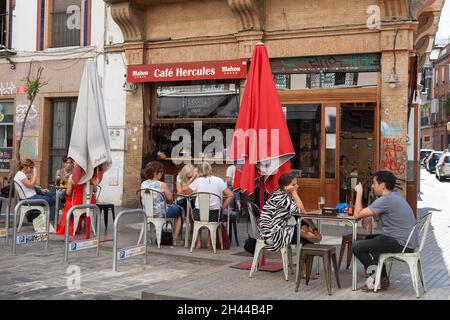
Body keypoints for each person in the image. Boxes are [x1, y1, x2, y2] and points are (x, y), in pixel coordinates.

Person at [351, 170, 418, 292]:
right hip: (406, 241)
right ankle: (383, 278)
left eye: (374, 183)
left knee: (356, 247)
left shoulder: (386, 200)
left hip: (401, 243)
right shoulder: (394, 196)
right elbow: (368, 213)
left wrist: (359, 193)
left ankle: (375, 277)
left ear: (382, 185)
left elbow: (356, 215)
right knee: (370, 240)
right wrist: (365, 216)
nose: (372, 186)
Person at [259, 173, 322, 278]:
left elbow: (302, 215)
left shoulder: (285, 195)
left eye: (296, 184)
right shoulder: (281, 197)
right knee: (308, 239)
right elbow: (302, 211)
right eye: (294, 184)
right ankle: (303, 271)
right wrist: (294, 192)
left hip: (281, 227)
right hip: (272, 233)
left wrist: (314, 228)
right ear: (285, 187)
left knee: (305, 228)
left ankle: (307, 235)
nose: (297, 186)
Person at [182, 162, 234, 249]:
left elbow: (183, 191)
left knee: (195, 213)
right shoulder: (219, 180)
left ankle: (198, 242)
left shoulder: (197, 181)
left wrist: (192, 178)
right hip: (215, 216)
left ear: (198, 171)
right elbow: (231, 195)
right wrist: (222, 208)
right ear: (210, 170)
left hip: (199, 216)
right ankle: (210, 243)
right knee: (213, 213)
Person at [141, 161, 184, 246]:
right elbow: (170, 198)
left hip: (147, 212)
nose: (162, 173)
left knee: (174, 209)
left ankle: (155, 238)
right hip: (161, 213)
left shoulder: (143, 184)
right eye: (161, 171)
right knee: (180, 211)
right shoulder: (162, 184)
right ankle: (175, 238)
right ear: (155, 173)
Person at [14, 159, 57, 224]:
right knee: (53, 200)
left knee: (54, 194)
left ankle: (49, 222)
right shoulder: (20, 175)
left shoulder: (21, 174)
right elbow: (31, 185)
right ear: (25, 167)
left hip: (31, 197)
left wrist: (41, 190)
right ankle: (50, 222)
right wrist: (35, 174)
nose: (32, 169)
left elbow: (30, 186)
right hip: (29, 199)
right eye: (31, 167)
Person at [55, 170, 98, 236]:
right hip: (89, 204)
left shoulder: (72, 177)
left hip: (77, 203)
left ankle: (68, 227)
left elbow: (68, 193)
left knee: (68, 201)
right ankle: (79, 226)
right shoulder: (90, 177)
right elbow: (95, 190)